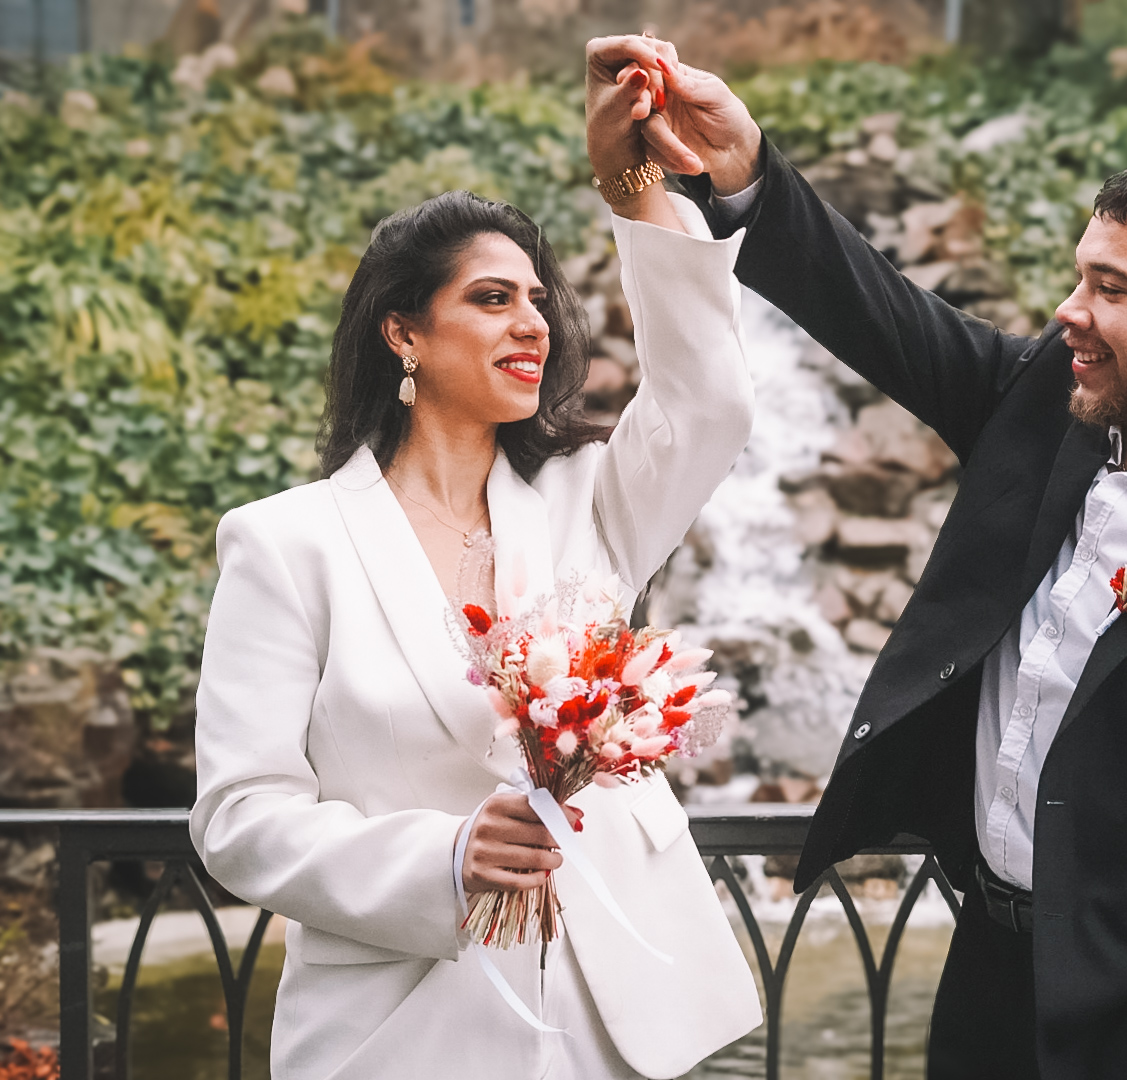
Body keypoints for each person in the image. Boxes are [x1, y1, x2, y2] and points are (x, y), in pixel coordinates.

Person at [606, 37, 1127, 1079]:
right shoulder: (1037, 409)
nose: (1068, 311)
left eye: (1108, 288)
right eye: (1076, 276)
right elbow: (876, 309)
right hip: (985, 978)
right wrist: (743, 171)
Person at [189, 41, 762, 1080]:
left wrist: (630, 182)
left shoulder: (592, 501)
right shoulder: (286, 543)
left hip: (615, 1020)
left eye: (537, 299)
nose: (532, 321)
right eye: (492, 299)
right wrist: (444, 859)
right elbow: (240, 818)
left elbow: (710, 400)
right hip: (405, 1025)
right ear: (403, 332)